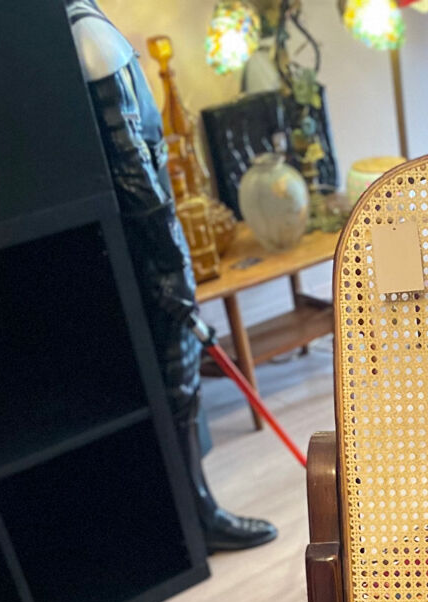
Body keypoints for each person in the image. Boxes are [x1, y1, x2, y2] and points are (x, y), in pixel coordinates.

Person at [66, 0, 277, 551]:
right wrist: (174, 268)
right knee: (176, 384)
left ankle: (190, 514)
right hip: (146, 252)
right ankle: (196, 518)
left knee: (175, 385)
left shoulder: (85, 27)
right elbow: (140, 183)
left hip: (128, 248)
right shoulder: (90, 37)